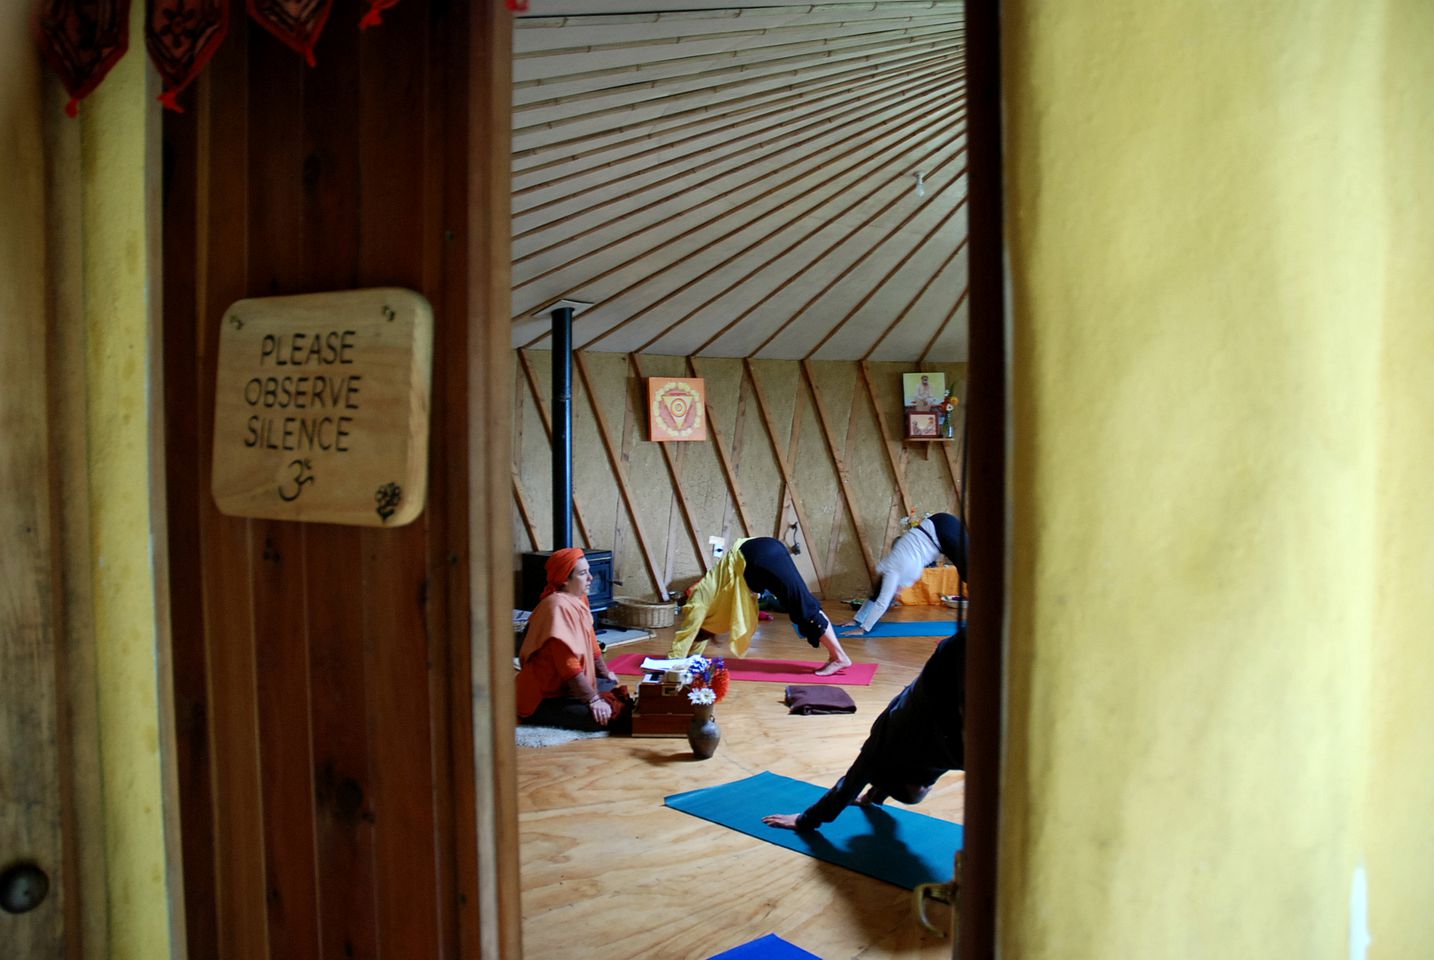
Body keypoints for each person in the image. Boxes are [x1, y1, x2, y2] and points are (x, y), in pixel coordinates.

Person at [763, 627, 965, 831]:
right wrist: (870, 797)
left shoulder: (890, 742)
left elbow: (854, 778)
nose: (928, 788)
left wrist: (806, 820)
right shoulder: (950, 754)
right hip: (949, 692)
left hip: (948, 677)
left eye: (922, 789)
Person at [668, 536, 853, 676]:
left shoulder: (696, 601)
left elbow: (688, 632)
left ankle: (840, 657)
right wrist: (693, 660)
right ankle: (836, 655)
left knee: (803, 606)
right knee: (800, 605)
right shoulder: (707, 605)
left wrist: (673, 664)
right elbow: (696, 635)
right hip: (759, 554)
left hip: (756, 557)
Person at [516, 547, 631, 731]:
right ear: (564, 579)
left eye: (589, 571)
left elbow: (591, 641)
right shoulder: (557, 608)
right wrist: (593, 700)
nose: (591, 578)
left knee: (608, 684)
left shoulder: (579, 599)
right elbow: (568, 664)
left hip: (565, 686)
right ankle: (539, 715)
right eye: (583, 573)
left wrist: (603, 671)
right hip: (544, 696)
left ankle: (587, 697)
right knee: (603, 718)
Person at [846, 512, 967, 634]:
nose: (898, 594)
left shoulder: (892, 572)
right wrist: (856, 620)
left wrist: (863, 629)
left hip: (942, 531)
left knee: (970, 573)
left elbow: (882, 602)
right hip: (937, 524)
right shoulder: (889, 565)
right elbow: (876, 595)